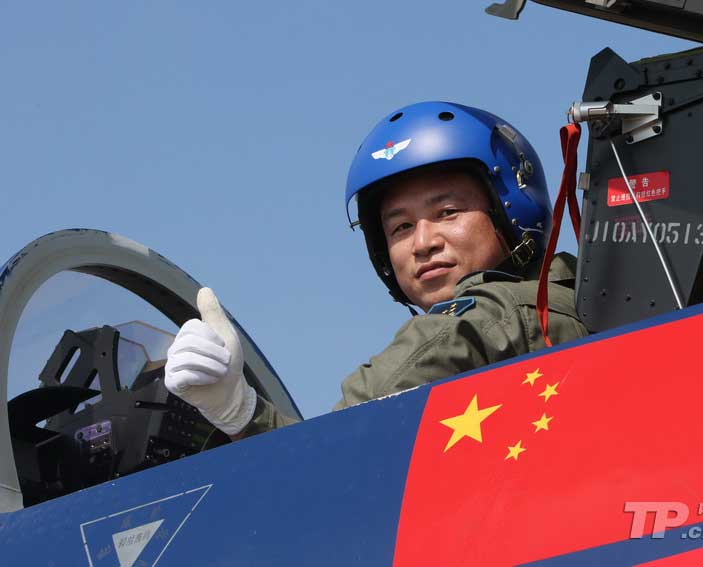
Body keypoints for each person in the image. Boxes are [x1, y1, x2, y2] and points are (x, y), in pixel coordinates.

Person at [163, 101, 589, 438]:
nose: (423, 243)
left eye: (447, 212)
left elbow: (322, 460)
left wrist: (238, 410)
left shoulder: (481, 323)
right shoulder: (584, 298)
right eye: (401, 227)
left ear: (511, 207)